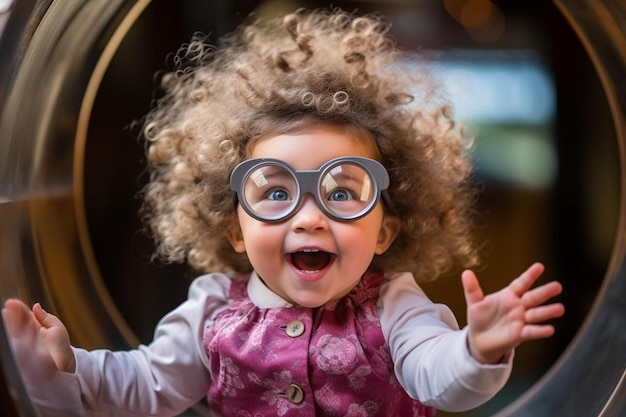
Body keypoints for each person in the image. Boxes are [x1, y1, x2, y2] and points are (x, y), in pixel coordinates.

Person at [2, 7, 564, 417]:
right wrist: (66, 366)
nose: (310, 216)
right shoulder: (213, 310)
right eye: (274, 193)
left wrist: (475, 350)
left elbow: (437, 376)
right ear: (235, 228)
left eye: (343, 193)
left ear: (387, 229)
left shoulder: (395, 307)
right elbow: (144, 384)